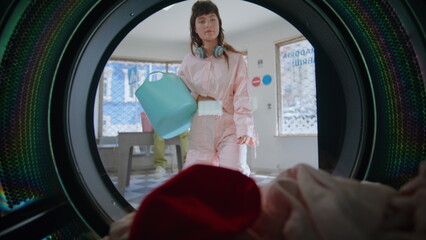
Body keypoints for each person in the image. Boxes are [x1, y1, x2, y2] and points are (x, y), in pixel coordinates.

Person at [178, 0, 256, 176]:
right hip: (200, 128)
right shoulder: (189, 61)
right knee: (197, 178)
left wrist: (244, 127)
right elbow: (180, 92)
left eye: (212, 19)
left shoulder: (235, 59)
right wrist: (198, 98)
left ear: (219, 24)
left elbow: (243, 95)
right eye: (202, 21)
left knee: (234, 174)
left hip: (230, 125)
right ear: (195, 29)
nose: (208, 25)